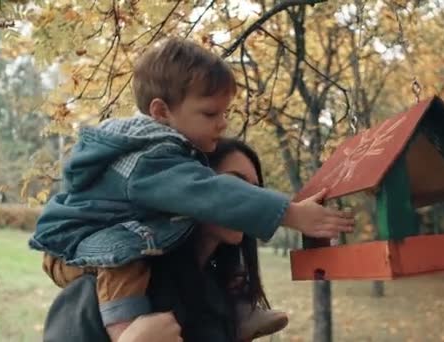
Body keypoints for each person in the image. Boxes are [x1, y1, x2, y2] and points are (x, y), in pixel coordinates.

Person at [30, 37, 353, 340]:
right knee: (125, 259)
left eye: (256, 188)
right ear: (161, 111)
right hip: (82, 245)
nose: (223, 122)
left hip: (118, 240)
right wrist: (292, 213)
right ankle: (124, 325)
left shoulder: (212, 293)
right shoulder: (151, 159)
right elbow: (213, 194)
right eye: (235, 187)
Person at [43, 138, 292, 342]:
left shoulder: (221, 299)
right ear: (186, 192)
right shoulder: (98, 291)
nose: (250, 200)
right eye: (234, 185)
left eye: (256, 191)